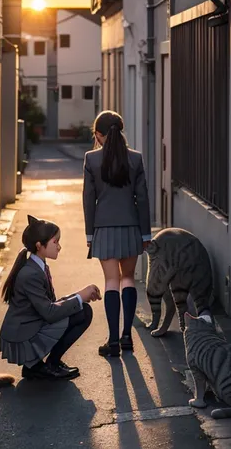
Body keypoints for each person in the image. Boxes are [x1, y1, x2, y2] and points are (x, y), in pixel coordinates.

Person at [0, 215, 101, 380]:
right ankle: (44, 365)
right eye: (55, 242)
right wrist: (80, 297)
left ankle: (42, 365)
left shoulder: (38, 266)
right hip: (24, 337)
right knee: (82, 312)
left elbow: (50, 305)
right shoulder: (30, 273)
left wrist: (80, 295)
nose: (59, 247)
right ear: (39, 245)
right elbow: (50, 312)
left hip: (32, 326)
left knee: (83, 310)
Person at [83, 110, 151, 357]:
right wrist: (145, 234)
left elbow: (89, 200)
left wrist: (89, 234)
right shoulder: (136, 159)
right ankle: (127, 337)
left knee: (111, 281)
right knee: (128, 279)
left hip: (103, 228)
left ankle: (112, 341)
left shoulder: (91, 159)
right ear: (120, 132)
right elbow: (142, 198)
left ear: (99, 135)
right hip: (131, 227)